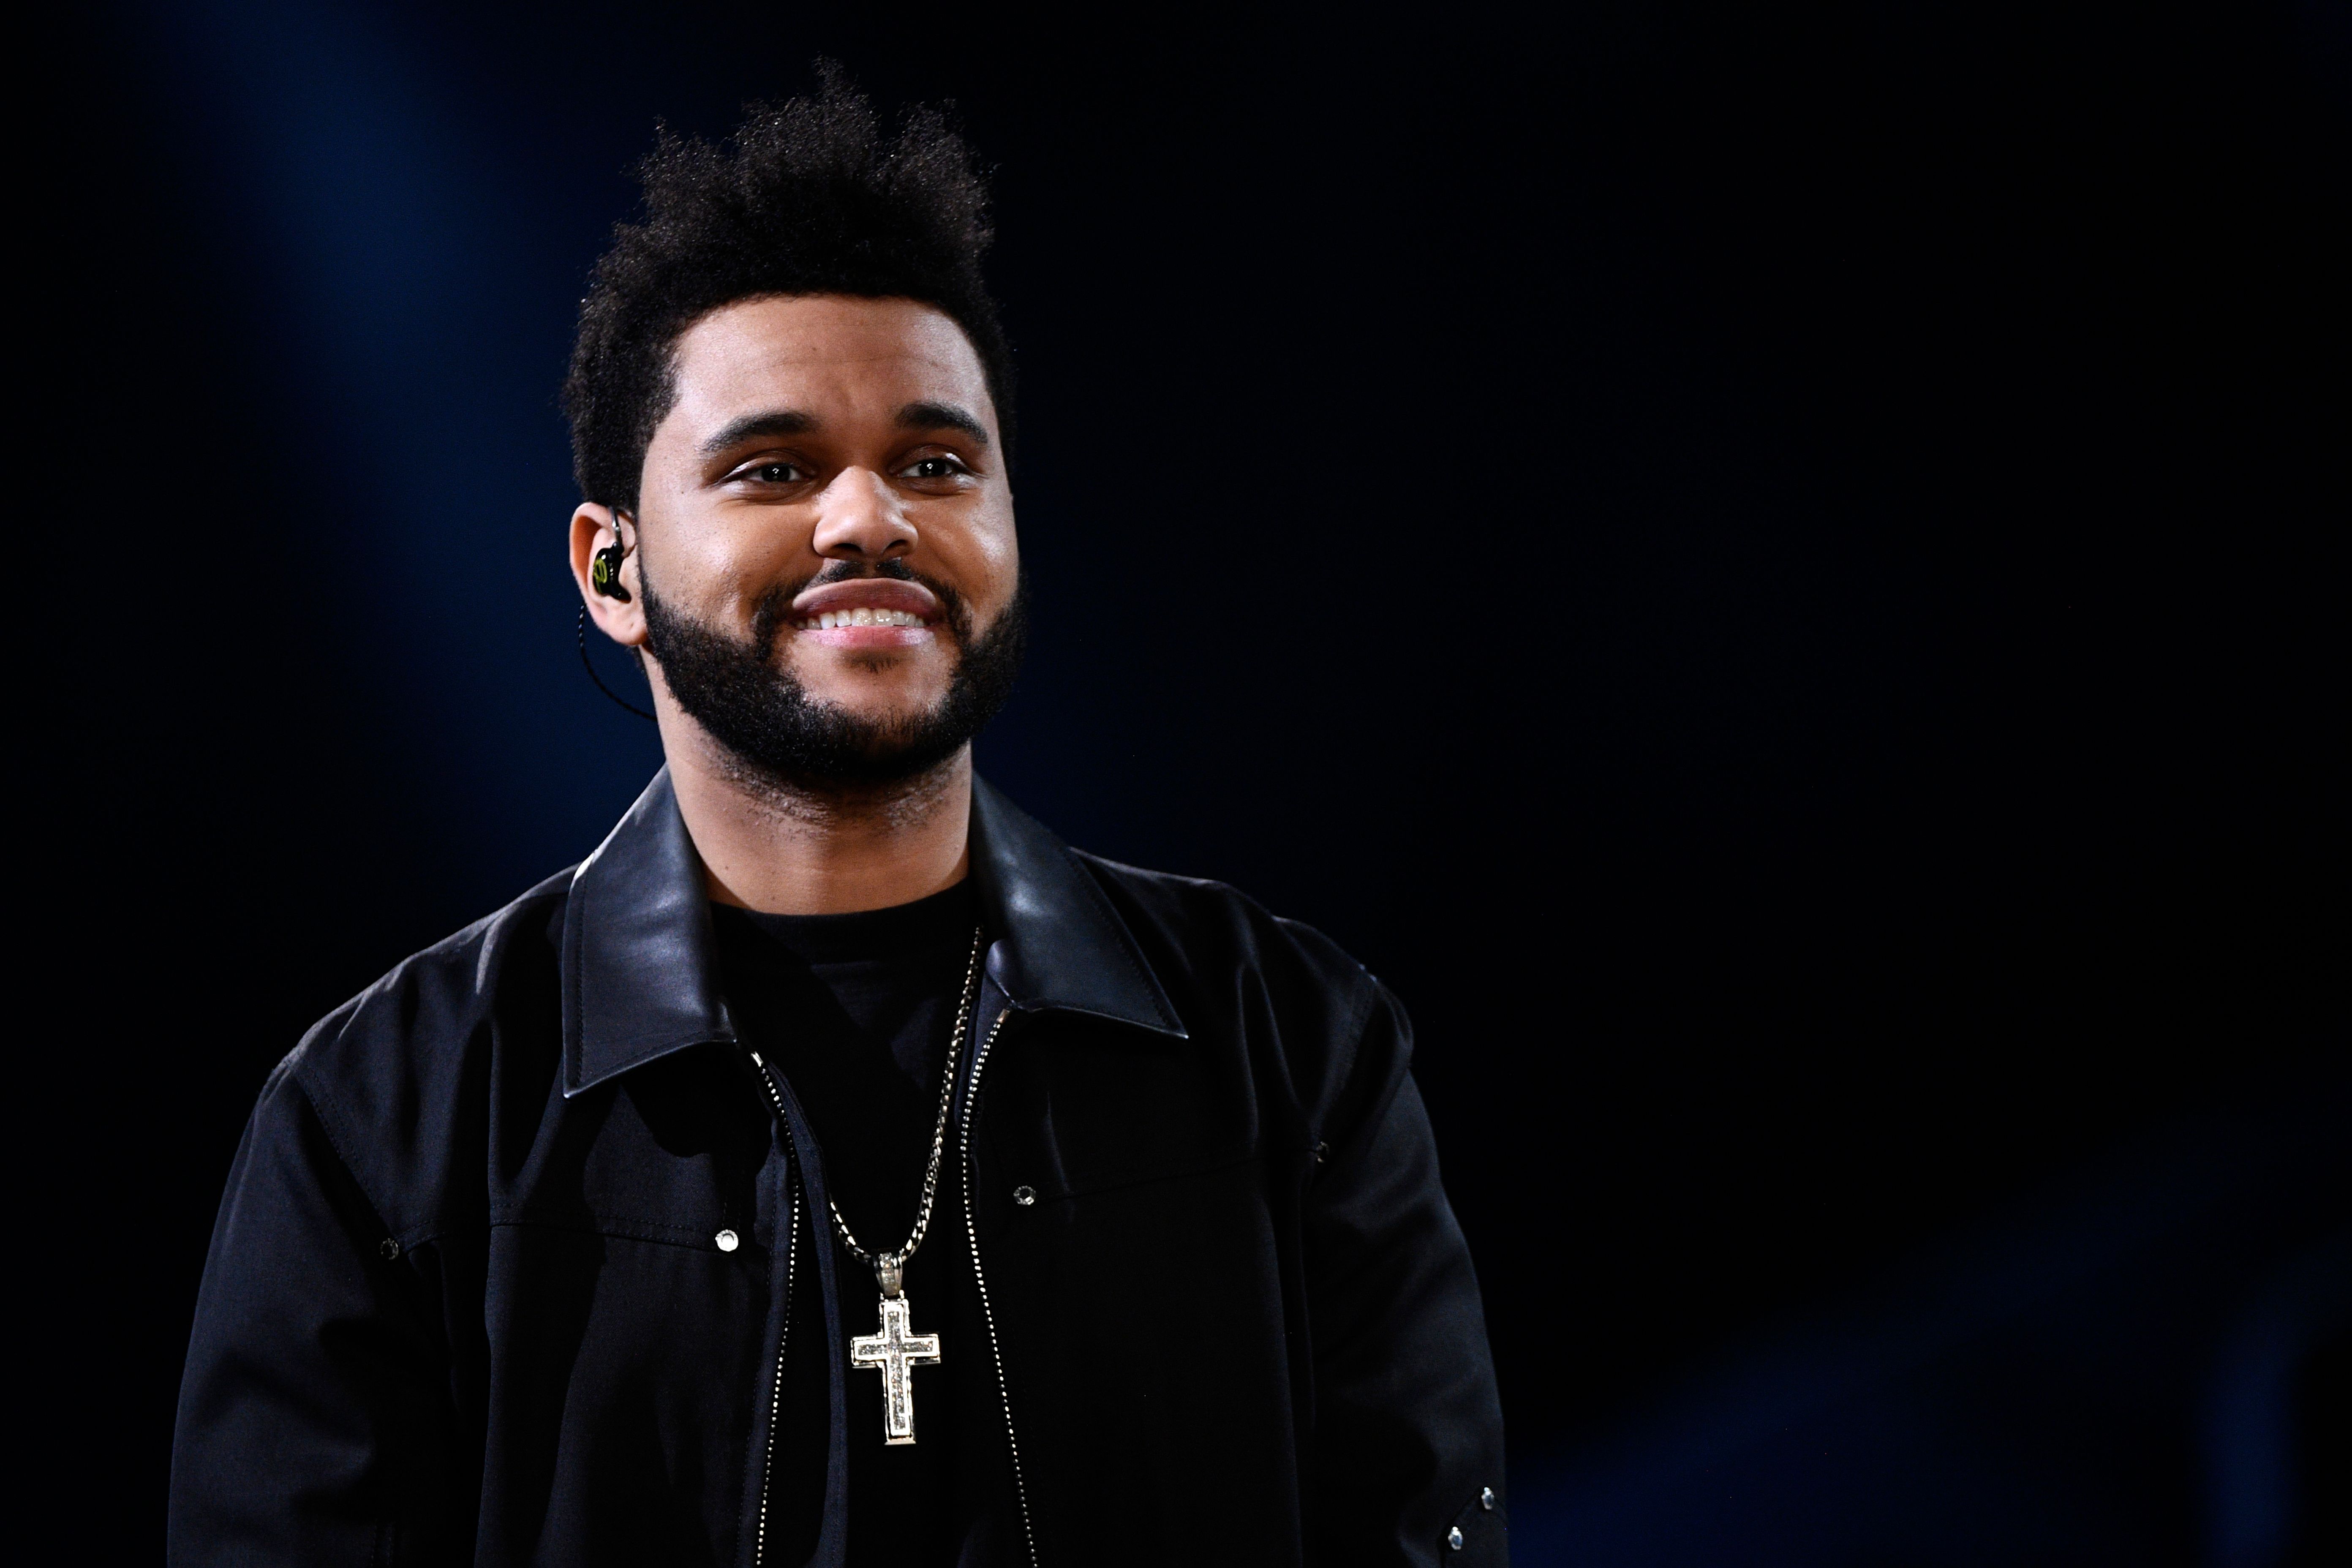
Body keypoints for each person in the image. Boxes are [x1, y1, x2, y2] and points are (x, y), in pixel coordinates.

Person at [169, 74, 1505, 1567]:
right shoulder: (382, 1120)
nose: (870, 518)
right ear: (613, 572)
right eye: (774, 469)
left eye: (937, 464)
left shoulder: (1293, 1044)